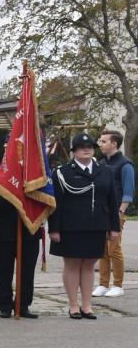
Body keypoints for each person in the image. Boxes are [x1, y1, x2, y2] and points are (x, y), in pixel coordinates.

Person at [49, 132, 120, 319]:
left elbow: (112, 200)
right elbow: (56, 203)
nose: (87, 150)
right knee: (72, 265)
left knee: (89, 265)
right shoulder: (62, 172)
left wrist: (114, 227)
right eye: (82, 147)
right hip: (71, 226)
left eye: (90, 147)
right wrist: (54, 228)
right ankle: (73, 305)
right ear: (74, 151)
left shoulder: (104, 171)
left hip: (97, 225)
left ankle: (87, 305)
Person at [0, 170, 41, 319]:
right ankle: (5, 305)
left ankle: (23, 305)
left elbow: (43, 194)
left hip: (29, 227)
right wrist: (15, 200)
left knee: (27, 271)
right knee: (3, 270)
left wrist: (25, 201)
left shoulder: (34, 170)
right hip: (4, 229)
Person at [92, 129, 134, 298]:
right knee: (102, 248)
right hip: (103, 211)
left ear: (114, 144)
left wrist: (120, 212)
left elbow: (128, 192)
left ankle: (118, 285)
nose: (100, 144)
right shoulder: (102, 164)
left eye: (103, 141)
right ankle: (103, 284)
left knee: (113, 248)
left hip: (117, 212)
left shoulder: (126, 164)